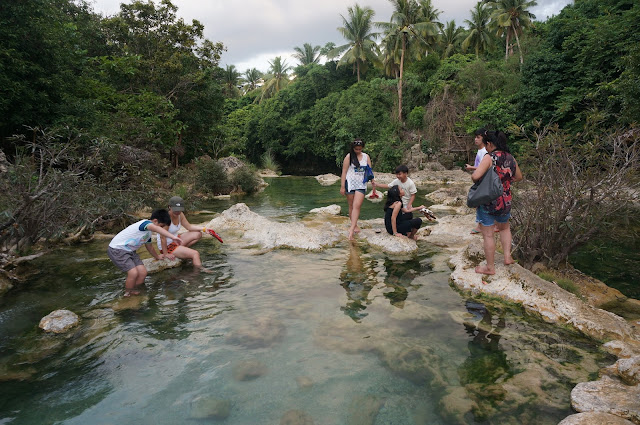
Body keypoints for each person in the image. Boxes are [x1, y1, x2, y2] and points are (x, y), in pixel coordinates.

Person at [471, 131, 523, 275]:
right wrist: (505, 181)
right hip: (505, 199)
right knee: (504, 228)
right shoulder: (510, 157)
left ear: (489, 143)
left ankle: (490, 268)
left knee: (488, 235)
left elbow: (475, 176)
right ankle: (507, 257)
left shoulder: (490, 157)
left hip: (488, 200)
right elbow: (519, 176)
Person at [107, 209, 183, 296]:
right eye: (161, 226)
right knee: (133, 273)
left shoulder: (148, 233)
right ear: (155, 221)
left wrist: (157, 256)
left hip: (130, 251)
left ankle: (136, 289)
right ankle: (127, 293)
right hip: (117, 249)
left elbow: (149, 247)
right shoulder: (145, 224)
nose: (161, 229)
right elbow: (156, 228)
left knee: (143, 272)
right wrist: (173, 237)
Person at [157, 196, 206, 268]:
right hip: (167, 246)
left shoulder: (180, 214)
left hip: (176, 240)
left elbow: (189, 227)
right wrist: (166, 254)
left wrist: (204, 229)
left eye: (179, 210)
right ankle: (199, 272)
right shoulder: (166, 218)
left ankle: (181, 251)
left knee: (198, 234)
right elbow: (162, 237)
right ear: (169, 207)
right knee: (195, 254)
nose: (177, 212)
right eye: (175, 210)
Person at [340, 139, 373, 240]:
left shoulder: (366, 157)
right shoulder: (349, 157)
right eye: (356, 149)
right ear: (353, 148)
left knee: (357, 205)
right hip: (350, 183)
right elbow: (344, 172)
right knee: (351, 205)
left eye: (360, 149)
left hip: (361, 184)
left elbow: (369, 171)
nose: (358, 151)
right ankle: (354, 224)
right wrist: (342, 186)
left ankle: (352, 228)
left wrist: (372, 181)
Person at [466, 128, 490, 235]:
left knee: (481, 203)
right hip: (480, 180)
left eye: (478, 137)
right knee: (481, 203)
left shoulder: (485, 151)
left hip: (483, 181)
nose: (476, 139)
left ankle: (481, 225)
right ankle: (483, 224)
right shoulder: (481, 151)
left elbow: (484, 167)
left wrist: (471, 168)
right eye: (475, 137)